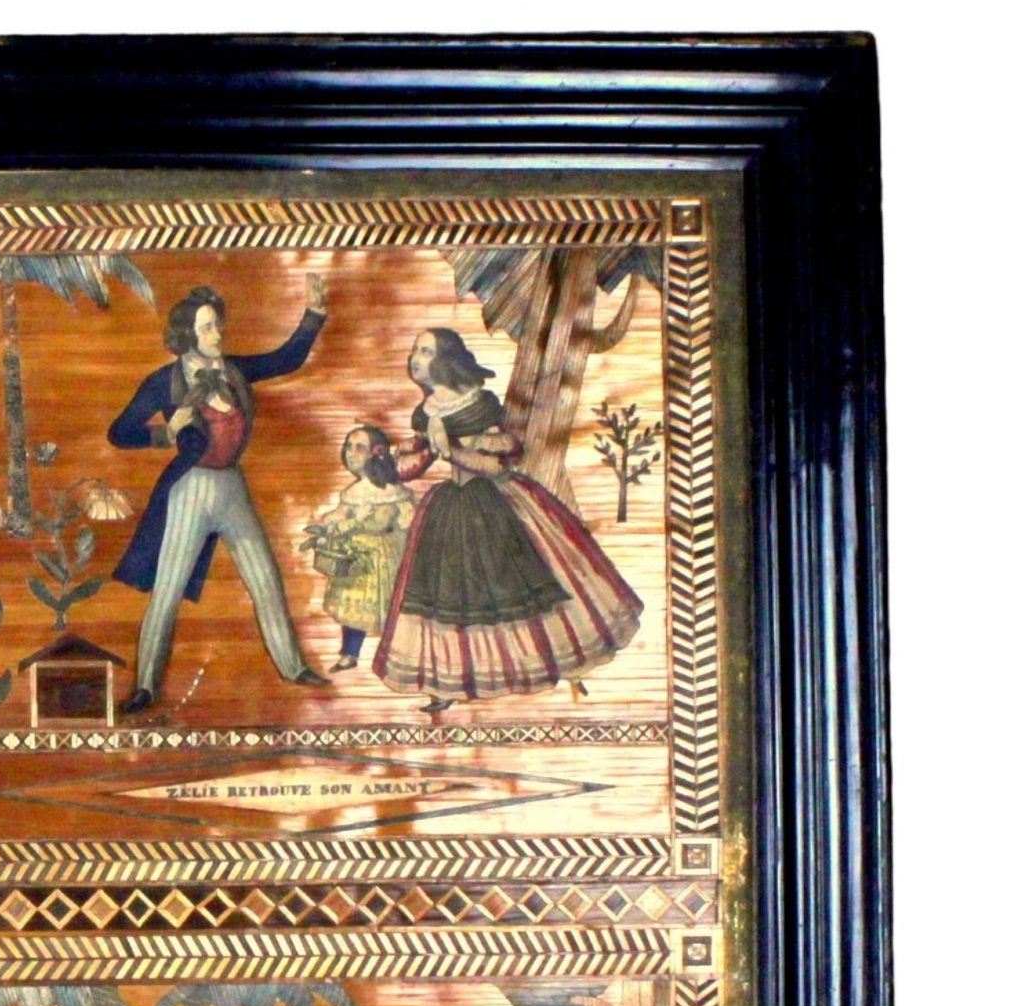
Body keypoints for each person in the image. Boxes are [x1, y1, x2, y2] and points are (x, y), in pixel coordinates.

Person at [372, 332, 644, 711]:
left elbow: (497, 465)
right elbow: (415, 466)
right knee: (448, 597)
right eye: (415, 349)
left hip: (496, 505)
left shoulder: (478, 405)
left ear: (447, 360)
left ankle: (564, 663)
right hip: (449, 510)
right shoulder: (427, 411)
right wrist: (395, 462)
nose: (415, 357)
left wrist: (451, 450)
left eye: (426, 351)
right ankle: (447, 683)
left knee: (525, 583)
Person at [108, 278, 335, 712]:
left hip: (231, 485)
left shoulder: (233, 371)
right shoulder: (163, 382)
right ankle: (146, 686)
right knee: (168, 589)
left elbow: (285, 359)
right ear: (187, 335)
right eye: (208, 328)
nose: (218, 334)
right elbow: (119, 432)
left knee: (265, 578)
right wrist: (165, 433)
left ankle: (293, 667)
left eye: (217, 325)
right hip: (191, 487)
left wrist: (314, 313)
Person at [302, 424, 417, 672]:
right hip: (356, 555)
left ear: (376, 453)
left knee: (389, 606)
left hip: (384, 556)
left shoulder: (391, 490)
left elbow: (403, 520)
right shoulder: (354, 491)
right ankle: (350, 653)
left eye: (359, 448)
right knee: (352, 605)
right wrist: (328, 522)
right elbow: (341, 514)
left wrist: (397, 522)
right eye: (348, 447)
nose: (350, 453)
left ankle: (396, 656)